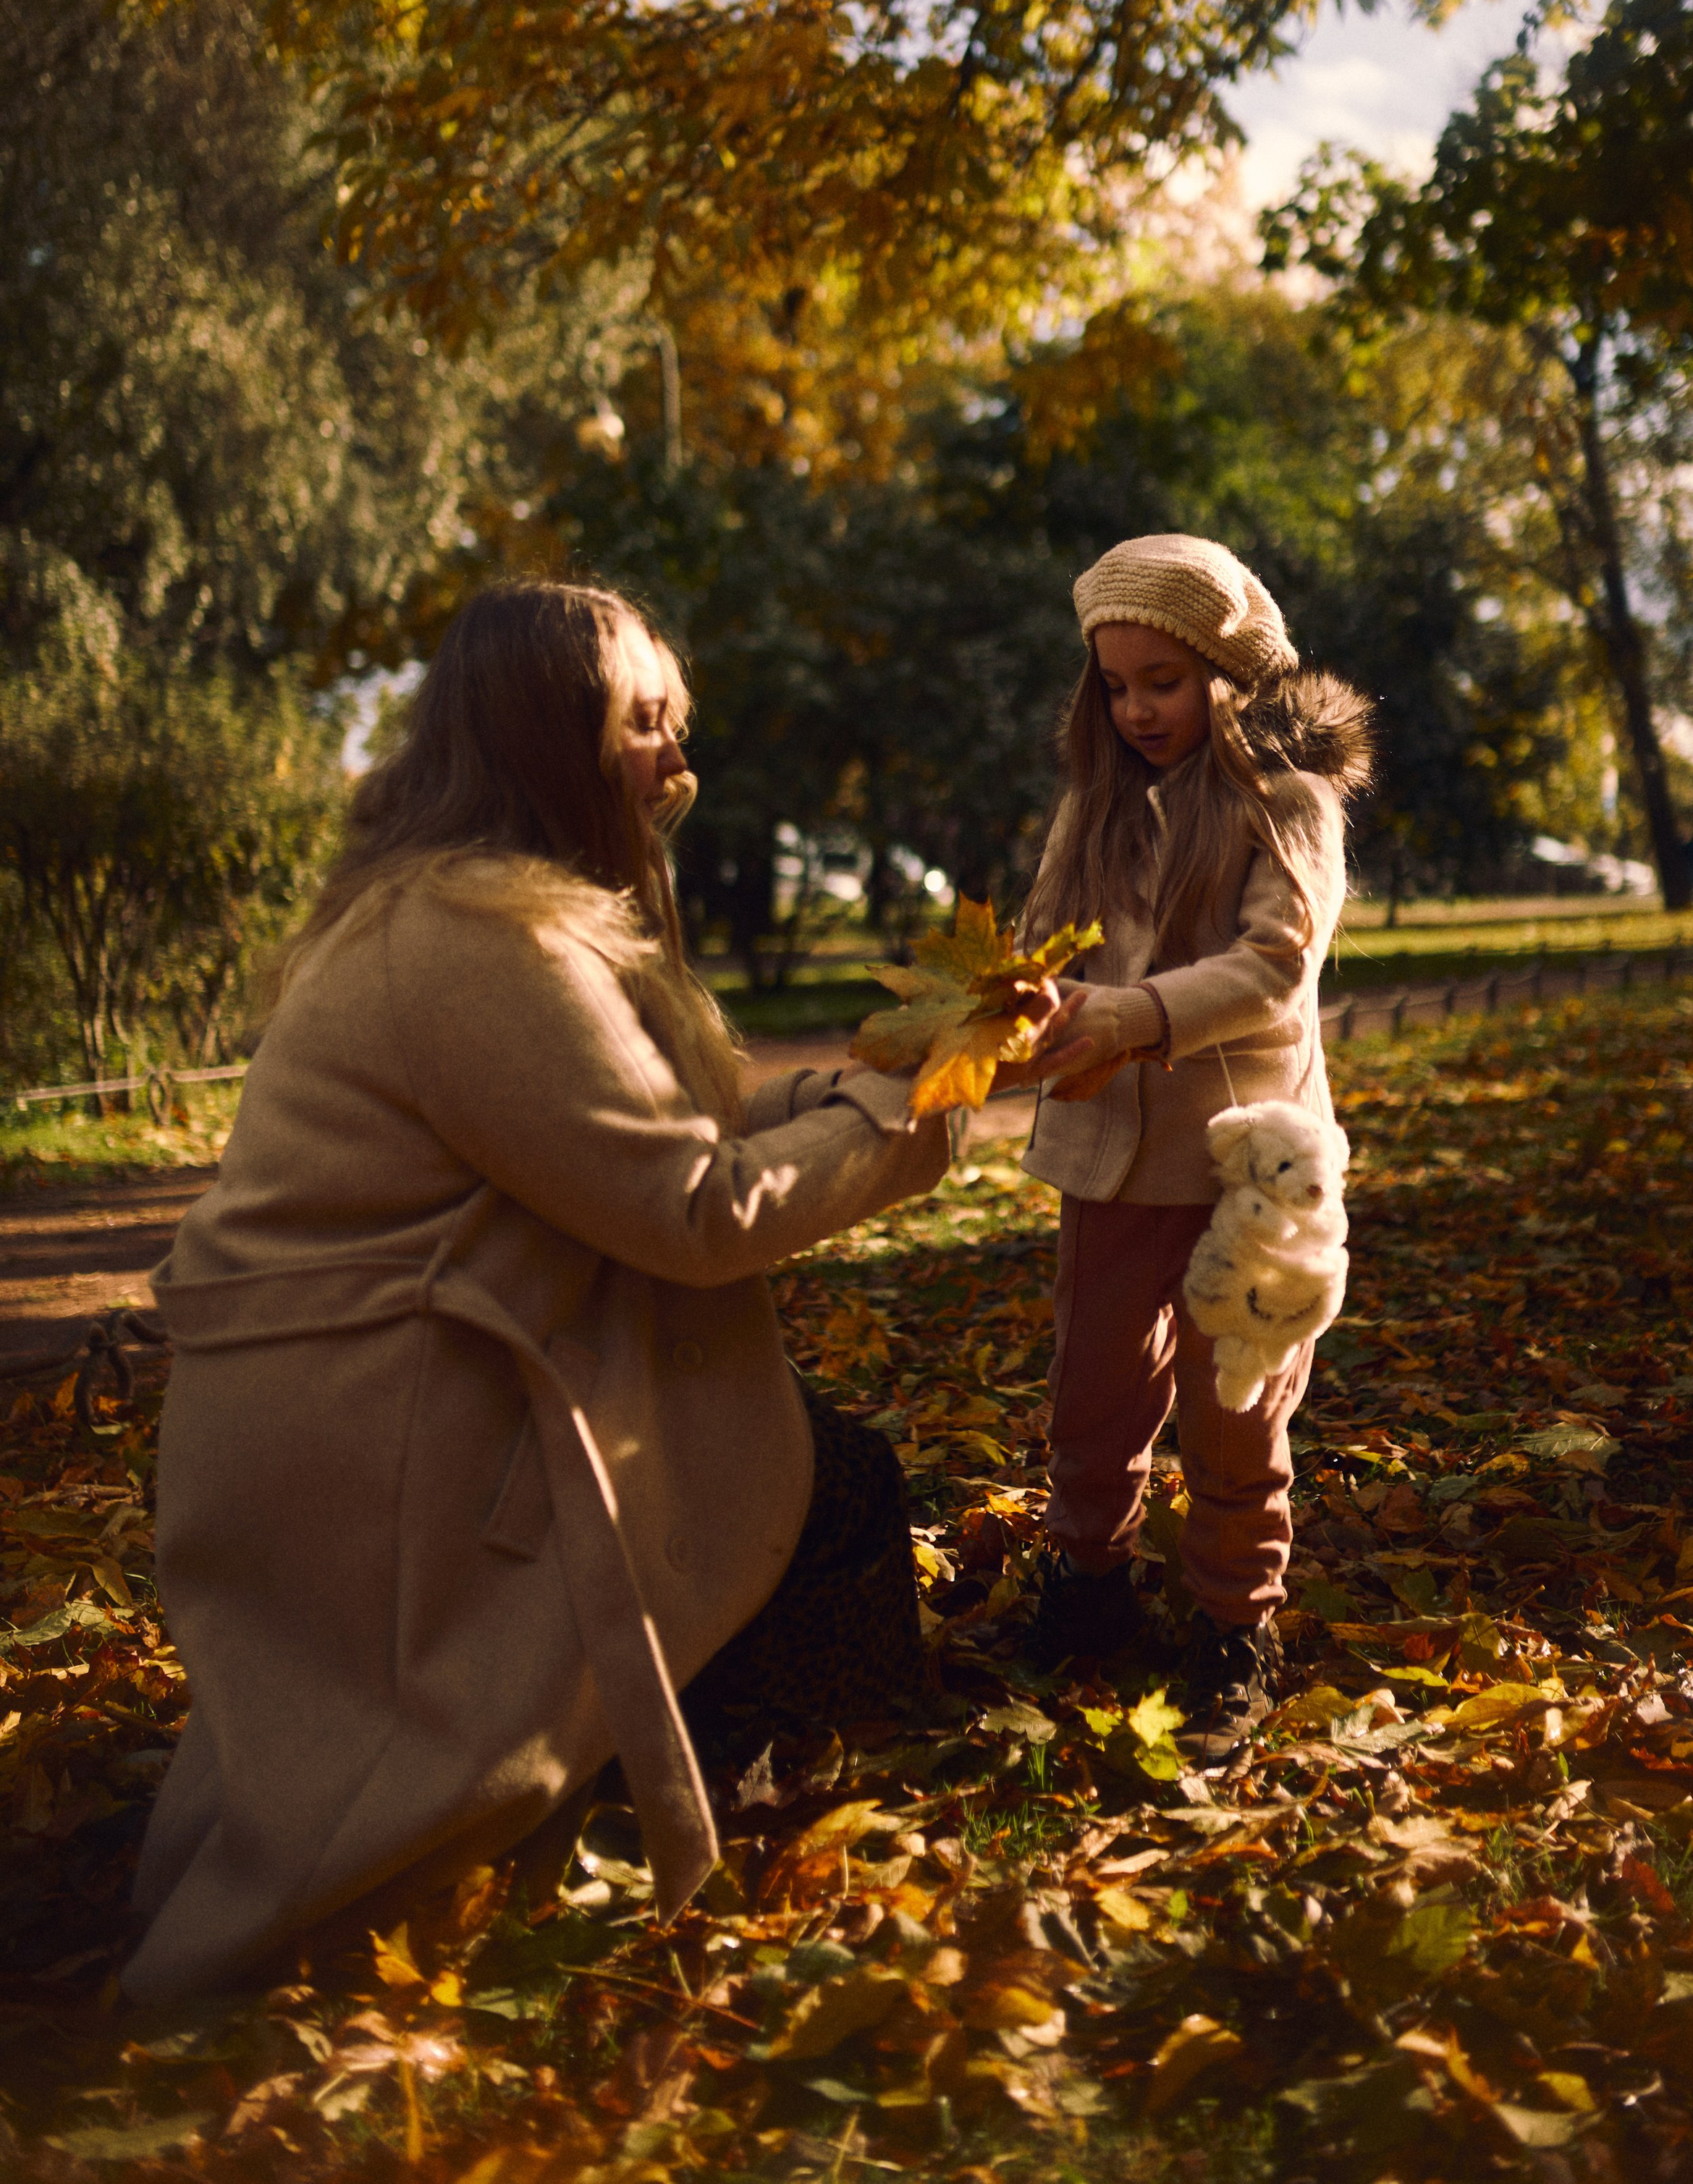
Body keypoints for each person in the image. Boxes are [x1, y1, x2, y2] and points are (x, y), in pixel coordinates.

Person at [124, 580, 1056, 2003]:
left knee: (820, 1468)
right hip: (382, 1435)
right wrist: (897, 1111)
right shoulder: (473, 937)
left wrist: (879, 1072)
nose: (679, 755)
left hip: (392, 1394)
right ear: (545, 741)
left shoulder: (493, 911)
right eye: (643, 722)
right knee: (836, 1496)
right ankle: (775, 1823)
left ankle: (730, 1793)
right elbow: (692, 1211)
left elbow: (658, 1118)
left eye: (678, 718)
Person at [1017, 535, 1372, 1743]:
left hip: (1248, 1163)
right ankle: (1089, 1587)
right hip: (1109, 1157)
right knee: (1095, 1387)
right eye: (1113, 687)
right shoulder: (1096, 805)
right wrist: (1020, 1007)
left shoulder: (1285, 800)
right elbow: (1044, 941)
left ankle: (1233, 1621)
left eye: (1160, 683)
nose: (1136, 711)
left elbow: (1279, 964)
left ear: (1224, 672)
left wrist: (1140, 1014)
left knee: (1239, 1399)